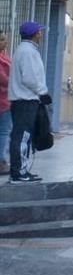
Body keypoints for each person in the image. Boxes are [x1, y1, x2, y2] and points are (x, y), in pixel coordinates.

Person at [8, 21, 51, 183]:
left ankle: (21, 169)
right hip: (25, 99)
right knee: (22, 136)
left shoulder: (25, 50)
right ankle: (18, 172)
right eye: (39, 31)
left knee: (22, 135)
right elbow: (30, 77)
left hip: (24, 99)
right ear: (34, 34)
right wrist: (43, 92)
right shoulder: (27, 52)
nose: (41, 34)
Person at [0, 33, 11, 176]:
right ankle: (1, 162)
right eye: (2, 40)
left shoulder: (5, 56)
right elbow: (4, 79)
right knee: (3, 132)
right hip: (2, 101)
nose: (5, 42)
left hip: (6, 100)